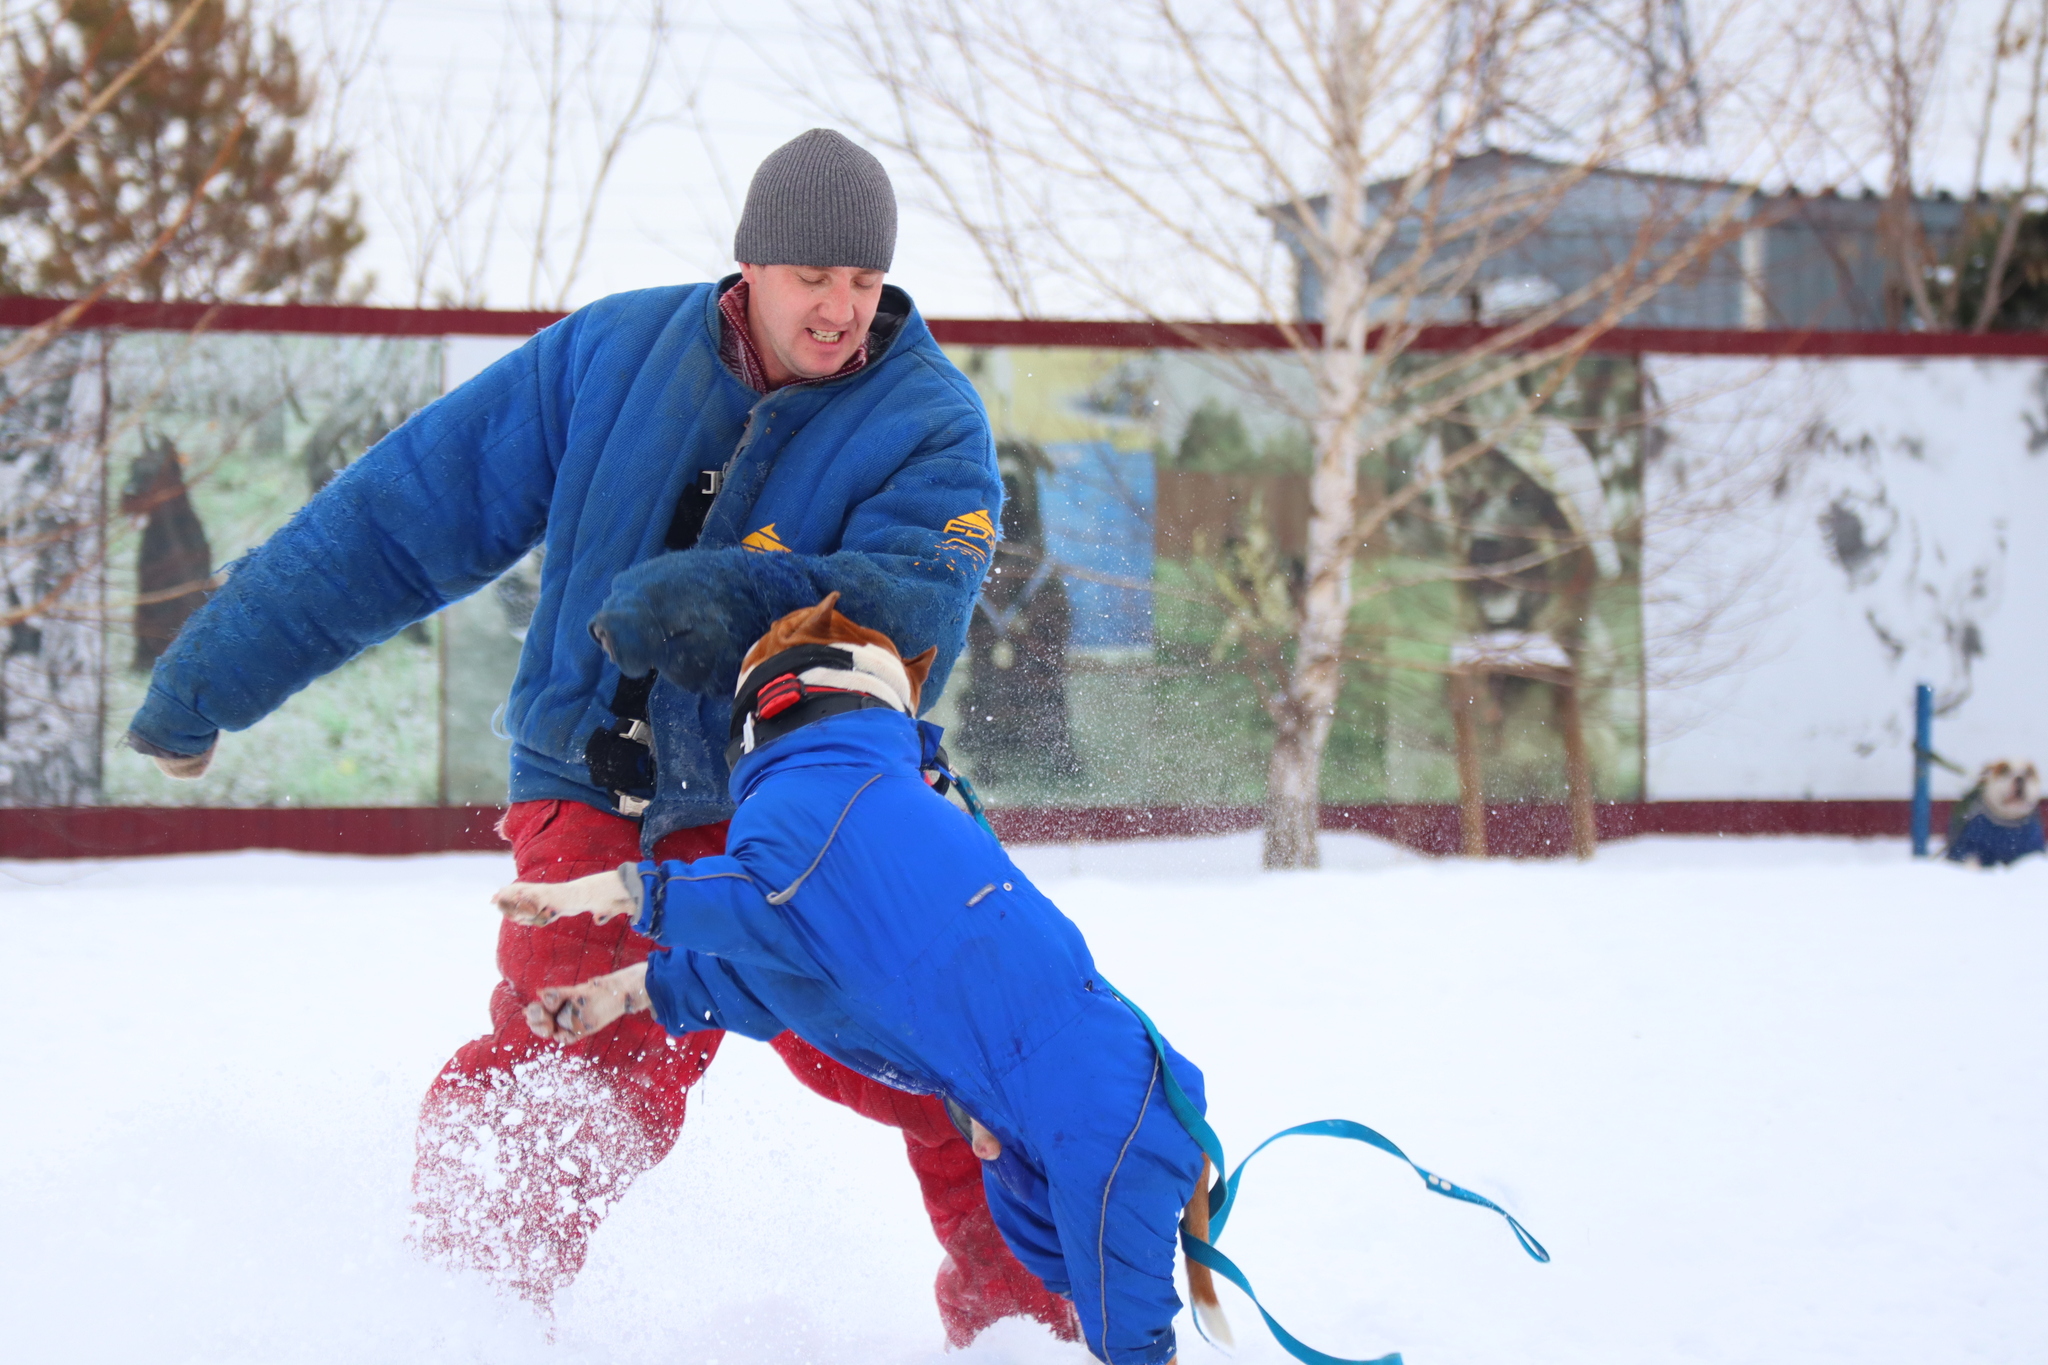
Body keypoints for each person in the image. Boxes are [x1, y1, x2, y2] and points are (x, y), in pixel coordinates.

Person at [124, 128, 1077, 1345]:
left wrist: (734, 599)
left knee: (963, 1059)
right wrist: (212, 676)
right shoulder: (610, 353)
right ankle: (454, 1320)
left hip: (802, 803)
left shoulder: (930, 421)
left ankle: (1032, 1328)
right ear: (750, 266)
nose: (841, 309)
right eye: (811, 279)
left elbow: (914, 607)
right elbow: (401, 521)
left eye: (863, 280)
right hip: (590, 795)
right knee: (572, 1075)